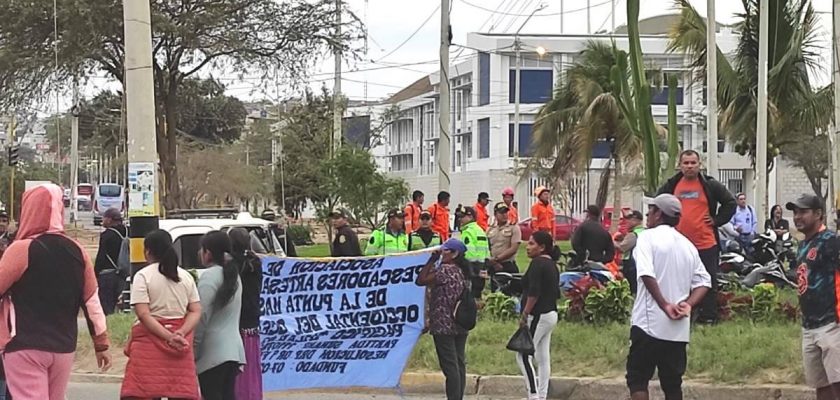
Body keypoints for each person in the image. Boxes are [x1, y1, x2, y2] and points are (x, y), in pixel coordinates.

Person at [0, 183, 111, 400]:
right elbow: (91, 302)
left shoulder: (21, 250)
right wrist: (101, 343)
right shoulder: (78, 251)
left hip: (24, 344)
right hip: (64, 347)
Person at [627, 194, 711, 400]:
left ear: (659, 214)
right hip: (677, 330)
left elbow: (646, 273)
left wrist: (664, 304)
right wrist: (688, 304)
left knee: (638, 379)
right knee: (672, 384)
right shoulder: (687, 245)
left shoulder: (646, 238)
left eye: (651, 210)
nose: (647, 215)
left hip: (648, 324)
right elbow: (704, 282)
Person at [121, 229, 201, 400]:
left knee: (141, 393)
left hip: (148, 345)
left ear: (147, 251)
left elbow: (143, 315)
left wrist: (168, 336)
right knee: (180, 393)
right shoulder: (186, 276)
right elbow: (195, 310)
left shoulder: (143, 276)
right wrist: (180, 333)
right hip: (180, 343)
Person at [657, 149, 736, 324]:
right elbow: (658, 203)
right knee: (680, 281)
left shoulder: (710, 185)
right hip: (677, 245)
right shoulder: (671, 185)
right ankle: (682, 313)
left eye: (693, 163)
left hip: (706, 243)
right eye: (686, 163)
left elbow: (730, 203)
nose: (690, 166)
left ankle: (708, 317)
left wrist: (717, 220)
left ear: (700, 165)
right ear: (680, 165)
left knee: (708, 281)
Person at [785, 194, 840, 400]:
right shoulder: (803, 244)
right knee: (821, 384)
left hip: (832, 322)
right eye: (795, 212)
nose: (798, 217)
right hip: (809, 325)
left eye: (803, 212)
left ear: (818, 214)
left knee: (837, 381)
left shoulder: (831, 241)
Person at [415, 239, 471, 400]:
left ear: (454, 254)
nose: (442, 253)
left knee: (450, 366)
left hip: (443, 324)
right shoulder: (463, 271)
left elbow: (421, 280)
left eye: (445, 250)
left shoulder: (445, 270)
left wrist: (431, 261)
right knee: (459, 364)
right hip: (460, 323)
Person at [195, 231, 246, 400]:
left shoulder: (209, 276)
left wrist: (193, 347)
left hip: (212, 353)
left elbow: (201, 315)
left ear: (207, 253)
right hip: (233, 350)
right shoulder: (234, 277)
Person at [517, 231, 560, 400]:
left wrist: (525, 313)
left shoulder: (538, 263)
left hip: (538, 315)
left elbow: (533, 292)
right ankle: (542, 395)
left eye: (532, 244)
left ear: (542, 247)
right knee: (542, 357)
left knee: (523, 354)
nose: (527, 247)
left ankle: (533, 395)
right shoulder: (552, 264)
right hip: (551, 314)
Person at [229, 228, 264, 400]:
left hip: (235, 321)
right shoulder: (255, 263)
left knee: (236, 368)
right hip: (252, 321)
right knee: (250, 366)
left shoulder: (230, 266)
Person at [94, 208, 127, 315]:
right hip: (124, 273)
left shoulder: (106, 235)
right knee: (122, 303)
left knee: (107, 306)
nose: (102, 220)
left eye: (104, 217)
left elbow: (101, 256)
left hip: (107, 274)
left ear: (109, 220)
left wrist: (95, 273)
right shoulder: (129, 232)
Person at [487, 202, 521, 291]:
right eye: (501, 213)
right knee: (495, 294)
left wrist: (497, 259)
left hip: (508, 265)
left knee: (510, 294)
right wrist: (493, 262)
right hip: (494, 266)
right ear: (495, 214)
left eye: (506, 212)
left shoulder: (513, 228)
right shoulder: (490, 229)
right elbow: (487, 247)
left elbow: (513, 248)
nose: (504, 215)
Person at [459, 207, 491, 299]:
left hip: (471, 268)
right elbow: (486, 250)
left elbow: (469, 252)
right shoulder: (480, 230)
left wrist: (464, 265)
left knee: (468, 297)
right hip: (482, 266)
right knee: (477, 295)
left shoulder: (467, 231)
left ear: (470, 217)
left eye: (462, 217)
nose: (460, 219)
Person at [614, 210, 645, 295]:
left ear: (636, 220)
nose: (627, 222)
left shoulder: (633, 234)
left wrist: (611, 241)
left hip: (631, 266)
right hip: (642, 264)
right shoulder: (644, 231)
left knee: (632, 291)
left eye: (629, 219)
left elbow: (622, 248)